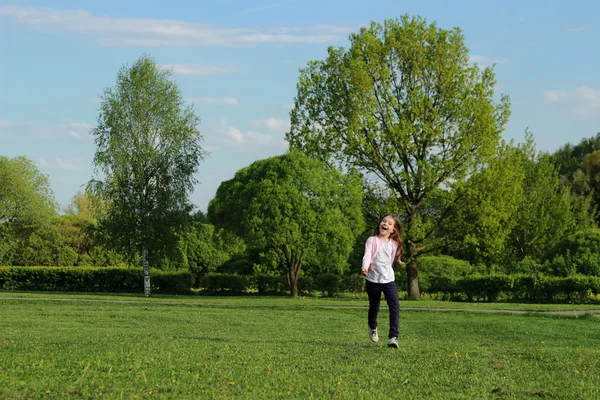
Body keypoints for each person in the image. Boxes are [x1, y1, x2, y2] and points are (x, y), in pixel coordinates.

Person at [361, 214, 403, 348]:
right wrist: (365, 267)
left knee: (394, 306)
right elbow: (367, 255)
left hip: (388, 279)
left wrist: (398, 260)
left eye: (390, 223)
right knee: (374, 306)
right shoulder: (372, 240)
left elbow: (396, 254)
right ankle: (372, 327)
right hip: (373, 279)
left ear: (393, 230)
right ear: (380, 224)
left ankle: (393, 337)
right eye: (384, 221)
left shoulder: (395, 244)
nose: (385, 224)